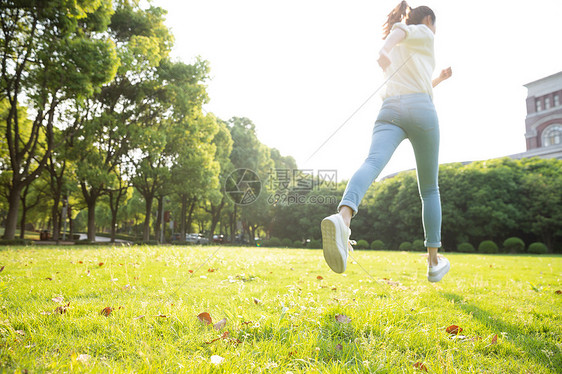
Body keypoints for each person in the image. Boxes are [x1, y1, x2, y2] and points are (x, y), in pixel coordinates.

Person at [321, 1, 452, 282]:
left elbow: (414, 79)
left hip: (390, 110)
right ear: (429, 20)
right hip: (421, 111)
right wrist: (383, 49)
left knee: (372, 162)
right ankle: (433, 261)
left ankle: (343, 218)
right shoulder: (421, 31)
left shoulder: (408, 44)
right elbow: (399, 30)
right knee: (429, 189)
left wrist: (437, 79)